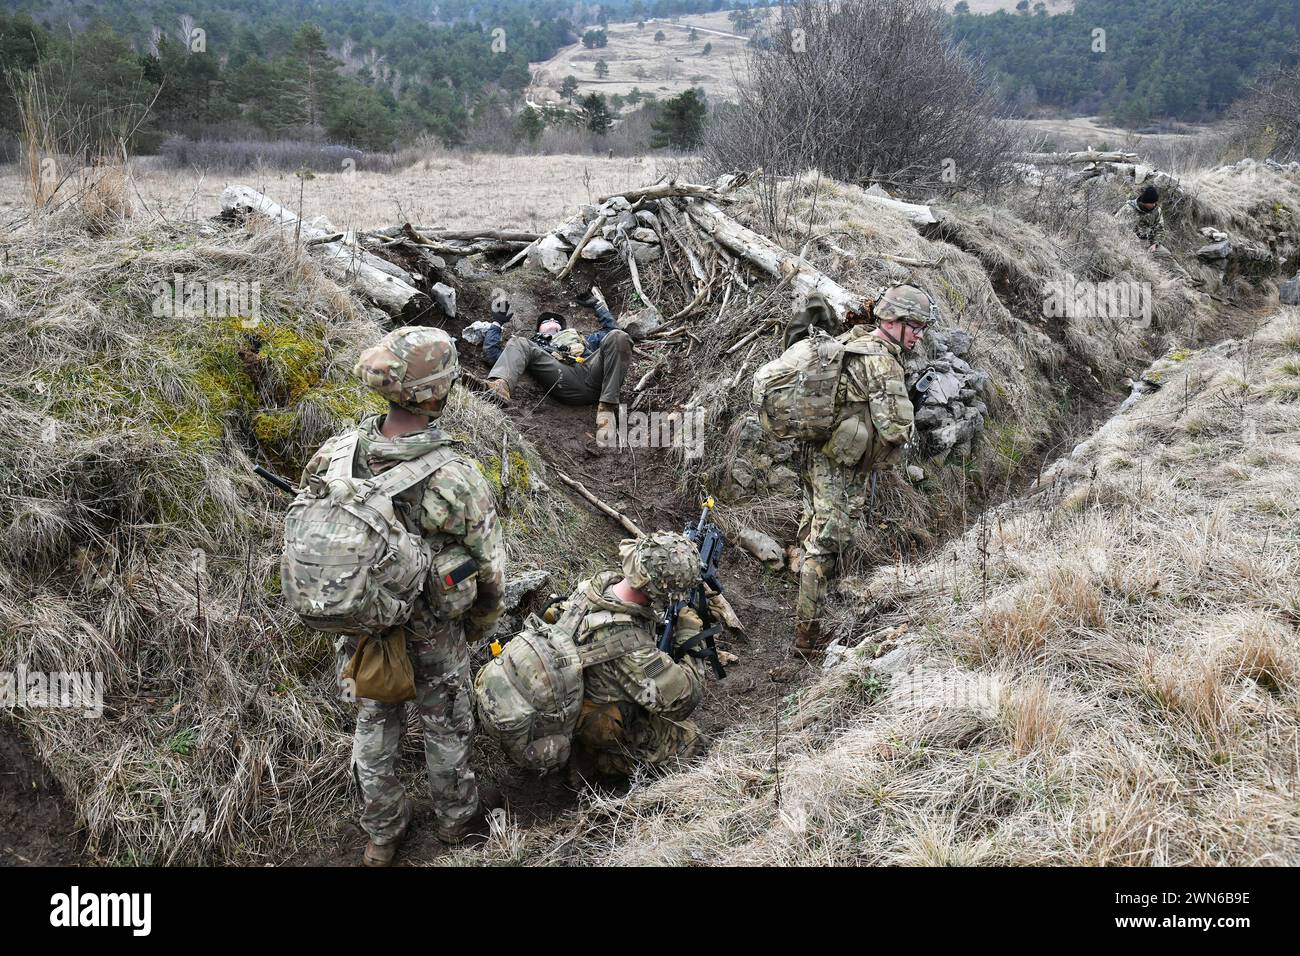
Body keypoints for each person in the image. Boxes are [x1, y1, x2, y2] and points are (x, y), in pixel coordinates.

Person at [301, 326, 506, 866]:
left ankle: (382, 835)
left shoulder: (335, 456)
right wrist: (479, 626)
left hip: (363, 624)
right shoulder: (457, 477)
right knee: (447, 724)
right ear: (439, 393)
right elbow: (489, 570)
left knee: (373, 726)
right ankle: (456, 822)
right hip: (435, 629)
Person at [793, 286, 927, 654]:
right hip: (839, 464)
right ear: (892, 322)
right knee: (827, 546)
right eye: (914, 325)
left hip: (814, 452)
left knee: (814, 527)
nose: (918, 334)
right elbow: (896, 429)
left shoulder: (852, 340)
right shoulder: (881, 360)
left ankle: (809, 596)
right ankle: (808, 635)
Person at [561, 531, 709, 781]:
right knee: (693, 741)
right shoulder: (630, 645)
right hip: (595, 724)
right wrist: (690, 633)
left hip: (573, 698)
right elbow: (683, 701)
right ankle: (602, 760)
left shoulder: (594, 588)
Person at [482, 290, 633, 421]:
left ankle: (607, 406)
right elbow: (493, 355)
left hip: (593, 372)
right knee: (519, 342)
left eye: (556, 320)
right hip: (563, 377)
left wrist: (597, 305)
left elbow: (616, 335)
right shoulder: (532, 346)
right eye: (547, 320)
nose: (553, 320)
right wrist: (496, 324)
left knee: (618, 336)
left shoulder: (586, 340)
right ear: (539, 330)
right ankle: (499, 389)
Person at [1117, 184, 1198, 284]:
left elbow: (1160, 229)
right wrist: (1133, 242)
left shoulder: (1156, 210)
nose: (1154, 205)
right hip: (1129, 245)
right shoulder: (1128, 209)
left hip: (1149, 243)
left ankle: (1187, 279)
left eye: (1155, 202)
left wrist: (1155, 244)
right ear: (1144, 202)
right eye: (1152, 203)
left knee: (1167, 255)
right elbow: (1117, 227)